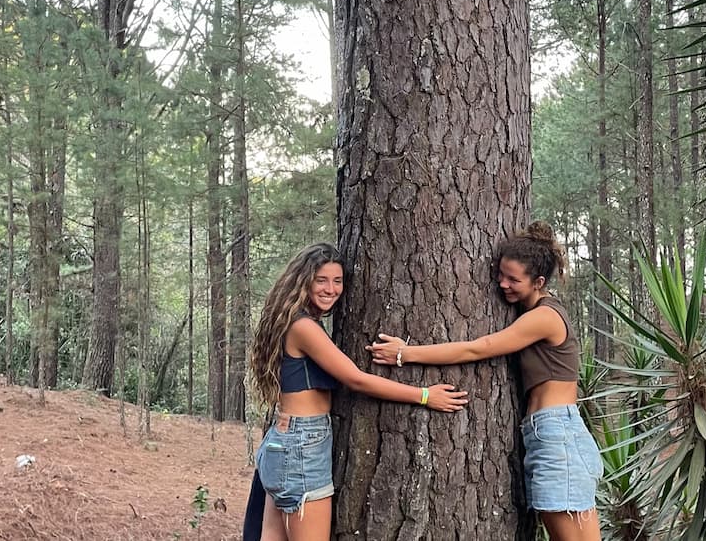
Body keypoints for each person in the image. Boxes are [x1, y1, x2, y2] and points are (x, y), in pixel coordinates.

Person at [367, 222, 602, 541]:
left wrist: (404, 354)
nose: (503, 284)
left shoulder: (545, 317)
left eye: (513, 279)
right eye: (501, 274)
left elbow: (479, 348)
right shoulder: (532, 311)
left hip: (558, 436)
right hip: (547, 435)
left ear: (539, 282)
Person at [250, 243, 468, 541]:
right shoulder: (303, 327)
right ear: (304, 280)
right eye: (321, 280)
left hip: (284, 440)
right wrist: (425, 395)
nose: (330, 289)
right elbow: (357, 380)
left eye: (337, 281)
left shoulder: (292, 320)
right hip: (301, 445)